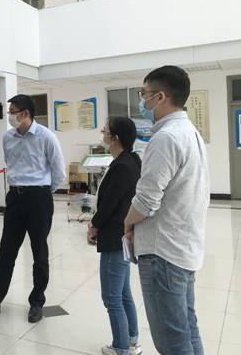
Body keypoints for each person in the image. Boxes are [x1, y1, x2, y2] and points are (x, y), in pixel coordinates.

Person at [124, 66, 210, 355]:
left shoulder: (166, 138)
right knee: (186, 328)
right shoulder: (190, 132)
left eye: (143, 94)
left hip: (163, 253)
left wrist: (127, 223)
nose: (142, 101)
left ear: (160, 97)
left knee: (171, 341)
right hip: (183, 247)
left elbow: (146, 201)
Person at [0, 94, 66, 323]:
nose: (9, 116)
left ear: (26, 113)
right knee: (6, 252)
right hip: (14, 198)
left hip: (39, 198)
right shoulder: (8, 137)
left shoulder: (46, 136)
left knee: (39, 252)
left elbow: (59, 172)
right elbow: (10, 164)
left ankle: (37, 302)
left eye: (13, 112)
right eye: (9, 111)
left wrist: (42, 193)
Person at [87, 117, 142, 355]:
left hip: (114, 236)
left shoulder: (122, 167)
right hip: (122, 233)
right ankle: (131, 340)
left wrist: (94, 225)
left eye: (105, 131)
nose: (102, 133)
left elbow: (109, 204)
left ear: (115, 138)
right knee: (123, 292)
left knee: (111, 296)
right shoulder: (129, 160)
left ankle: (121, 347)